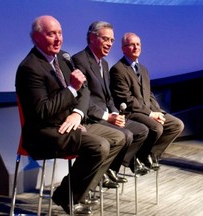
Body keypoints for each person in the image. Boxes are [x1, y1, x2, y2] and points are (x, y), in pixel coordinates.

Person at [15, 15, 125, 215]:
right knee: (99, 146)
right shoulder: (29, 68)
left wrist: (77, 113)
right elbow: (42, 111)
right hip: (45, 132)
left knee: (118, 137)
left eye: (60, 33)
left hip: (70, 124)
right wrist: (71, 90)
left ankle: (78, 192)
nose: (58, 39)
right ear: (36, 37)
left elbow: (84, 91)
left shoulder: (63, 58)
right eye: (51, 34)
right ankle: (68, 195)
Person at [72, 21, 149, 181]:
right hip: (92, 118)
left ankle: (110, 168)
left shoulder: (104, 64)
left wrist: (115, 113)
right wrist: (107, 117)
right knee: (126, 134)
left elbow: (108, 97)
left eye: (112, 40)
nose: (109, 44)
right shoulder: (79, 60)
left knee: (141, 130)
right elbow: (83, 98)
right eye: (105, 39)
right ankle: (101, 174)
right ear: (92, 38)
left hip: (107, 115)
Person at [109, 32, 184, 171]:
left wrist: (158, 112)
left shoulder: (143, 69)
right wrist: (150, 114)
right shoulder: (117, 70)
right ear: (123, 48)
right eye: (132, 44)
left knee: (176, 125)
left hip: (148, 111)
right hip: (131, 113)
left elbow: (149, 95)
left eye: (138, 44)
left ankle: (149, 154)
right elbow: (127, 99)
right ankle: (134, 158)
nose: (136, 47)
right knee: (156, 128)